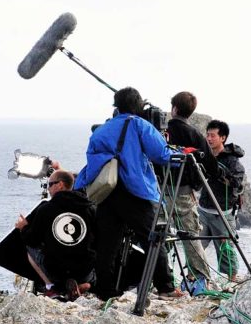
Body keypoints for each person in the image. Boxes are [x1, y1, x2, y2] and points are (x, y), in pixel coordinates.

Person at [74, 87, 184, 300]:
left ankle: (105, 290)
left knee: (107, 243)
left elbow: (93, 159)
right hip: (134, 190)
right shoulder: (139, 124)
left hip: (106, 190)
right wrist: (180, 154)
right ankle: (166, 288)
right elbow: (160, 154)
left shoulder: (102, 130)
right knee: (152, 238)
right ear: (138, 105)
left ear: (117, 106)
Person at [15, 170, 97, 301]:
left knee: (30, 250)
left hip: (56, 270)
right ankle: (83, 284)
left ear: (60, 185)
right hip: (83, 270)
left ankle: (51, 287)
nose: (48, 189)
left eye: (50, 184)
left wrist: (23, 227)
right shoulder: (90, 208)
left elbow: (32, 240)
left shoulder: (46, 209)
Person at [165, 92, 219, 287]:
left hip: (159, 189)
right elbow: (211, 166)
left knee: (160, 234)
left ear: (175, 109)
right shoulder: (194, 134)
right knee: (190, 233)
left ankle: (162, 277)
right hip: (183, 191)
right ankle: (200, 278)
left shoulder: (161, 131)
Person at [198, 120, 245, 282]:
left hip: (222, 212)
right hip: (203, 209)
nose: (209, 138)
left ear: (223, 138)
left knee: (225, 248)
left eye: (213, 135)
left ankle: (232, 278)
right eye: (208, 135)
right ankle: (195, 276)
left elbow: (237, 182)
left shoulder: (232, 161)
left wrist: (219, 173)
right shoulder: (205, 155)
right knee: (195, 245)